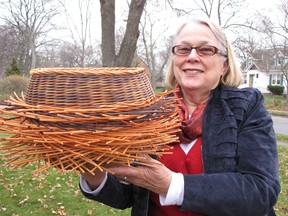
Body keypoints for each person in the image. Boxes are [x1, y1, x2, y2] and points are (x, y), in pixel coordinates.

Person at [79, 17, 280, 216]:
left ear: (224, 65)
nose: (192, 56)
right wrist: (95, 176)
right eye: (183, 49)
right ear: (175, 60)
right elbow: (131, 194)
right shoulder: (151, 112)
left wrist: (171, 185)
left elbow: (262, 190)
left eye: (206, 49)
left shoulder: (246, 107)